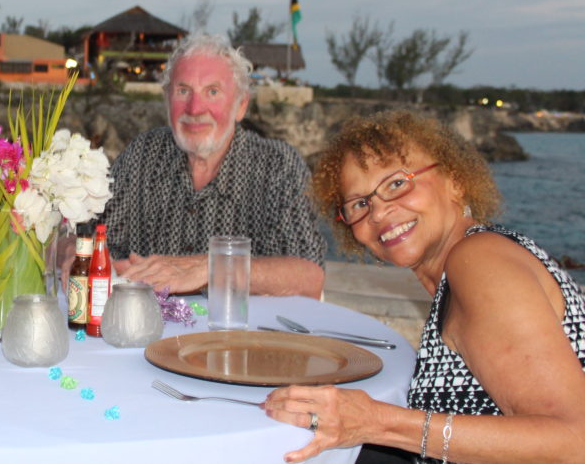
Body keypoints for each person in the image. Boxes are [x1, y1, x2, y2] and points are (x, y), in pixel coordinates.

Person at [263, 109, 585, 463]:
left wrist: (378, 423)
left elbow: (574, 442)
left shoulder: (480, 262)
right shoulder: (464, 266)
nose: (379, 212)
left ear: (455, 181)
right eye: (360, 203)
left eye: (397, 184)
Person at [103, 33, 325, 297]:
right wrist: (73, 252)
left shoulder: (278, 166)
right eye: (183, 91)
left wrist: (209, 268)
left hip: (239, 335)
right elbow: (92, 239)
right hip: (147, 330)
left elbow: (310, 277)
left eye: (212, 92)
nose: (195, 108)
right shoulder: (142, 153)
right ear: (167, 101)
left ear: (241, 105)